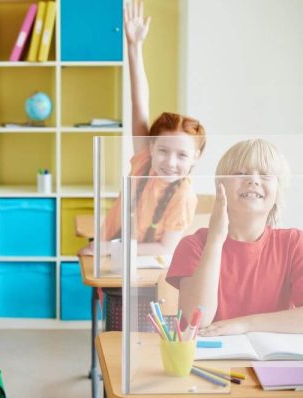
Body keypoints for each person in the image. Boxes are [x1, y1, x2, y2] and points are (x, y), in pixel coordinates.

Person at [79, 1, 206, 256]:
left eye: (181, 155)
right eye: (163, 151)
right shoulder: (145, 161)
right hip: (111, 254)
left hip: (143, 268)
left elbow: (164, 247)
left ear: (196, 158)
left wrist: (107, 250)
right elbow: (140, 103)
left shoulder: (183, 195)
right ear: (151, 147)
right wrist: (134, 48)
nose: (170, 161)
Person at [167, 139, 303, 335]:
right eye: (240, 173)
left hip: (270, 361)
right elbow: (199, 319)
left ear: (277, 192)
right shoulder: (194, 245)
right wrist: (215, 239)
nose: (253, 180)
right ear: (220, 187)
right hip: (208, 361)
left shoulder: (294, 243)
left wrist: (243, 325)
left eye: (265, 175)